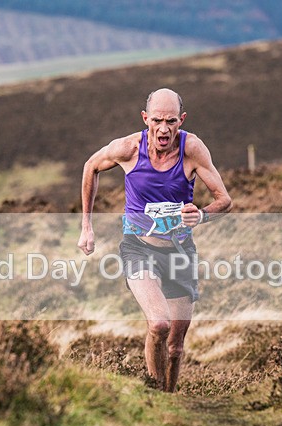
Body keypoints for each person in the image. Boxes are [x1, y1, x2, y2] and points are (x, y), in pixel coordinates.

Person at [77, 88, 232, 393]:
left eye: (171, 121)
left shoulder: (192, 149)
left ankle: (168, 397)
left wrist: (200, 215)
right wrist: (86, 225)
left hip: (179, 252)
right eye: (157, 120)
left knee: (175, 347)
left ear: (181, 120)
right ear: (145, 118)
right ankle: (153, 391)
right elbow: (90, 167)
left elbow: (224, 200)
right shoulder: (128, 149)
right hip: (138, 248)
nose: (164, 129)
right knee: (159, 325)